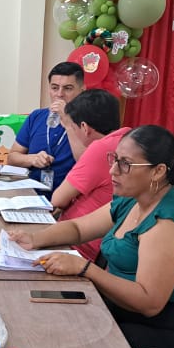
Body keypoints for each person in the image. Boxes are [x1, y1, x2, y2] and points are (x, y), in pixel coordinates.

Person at [9, 124, 174, 348]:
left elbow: (149, 302)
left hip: (161, 333)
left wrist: (85, 269)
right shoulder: (132, 199)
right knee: (44, 321)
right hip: (121, 310)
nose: (113, 170)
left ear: (158, 171)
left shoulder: (169, 221)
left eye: (125, 164)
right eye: (114, 159)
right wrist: (35, 239)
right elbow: (78, 228)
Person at [50, 88, 129, 261]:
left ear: (85, 127)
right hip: (99, 239)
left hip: (80, 245)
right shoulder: (127, 138)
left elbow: (58, 199)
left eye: (74, 127)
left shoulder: (101, 148)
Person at [6, 61, 84, 192]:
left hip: (68, 197)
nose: (59, 94)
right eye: (54, 88)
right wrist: (32, 159)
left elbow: (89, 164)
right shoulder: (36, 116)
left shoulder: (88, 121)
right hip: (30, 194)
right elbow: (12, 157)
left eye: (68, 88)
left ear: (81, 91)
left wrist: (67, 121)